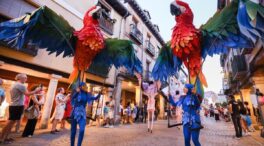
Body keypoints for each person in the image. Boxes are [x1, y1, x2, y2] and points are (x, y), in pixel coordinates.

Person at [0, 73, 41, 144]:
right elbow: (27, 94)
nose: (26, 79)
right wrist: (36, 90)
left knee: (11, 123)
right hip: (17, 106)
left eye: (26, 78)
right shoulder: (21, 85)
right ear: (20, 78)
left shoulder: (16, 84)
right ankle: (1, 138)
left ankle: (6, 137)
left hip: (15, 105)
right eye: (25, 78)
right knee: (9, 123)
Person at [70, 82, 101, 146]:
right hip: (75, 113)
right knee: (73, 132)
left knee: (82, 130)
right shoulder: (76, 92)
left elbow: (94, 98)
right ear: (80, 87)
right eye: (84, 86)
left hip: (82, 113)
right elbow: (72, 98)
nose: (86, 87)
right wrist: (77, 92)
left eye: (86, 86)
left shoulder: (87, 94)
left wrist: (99, 94)